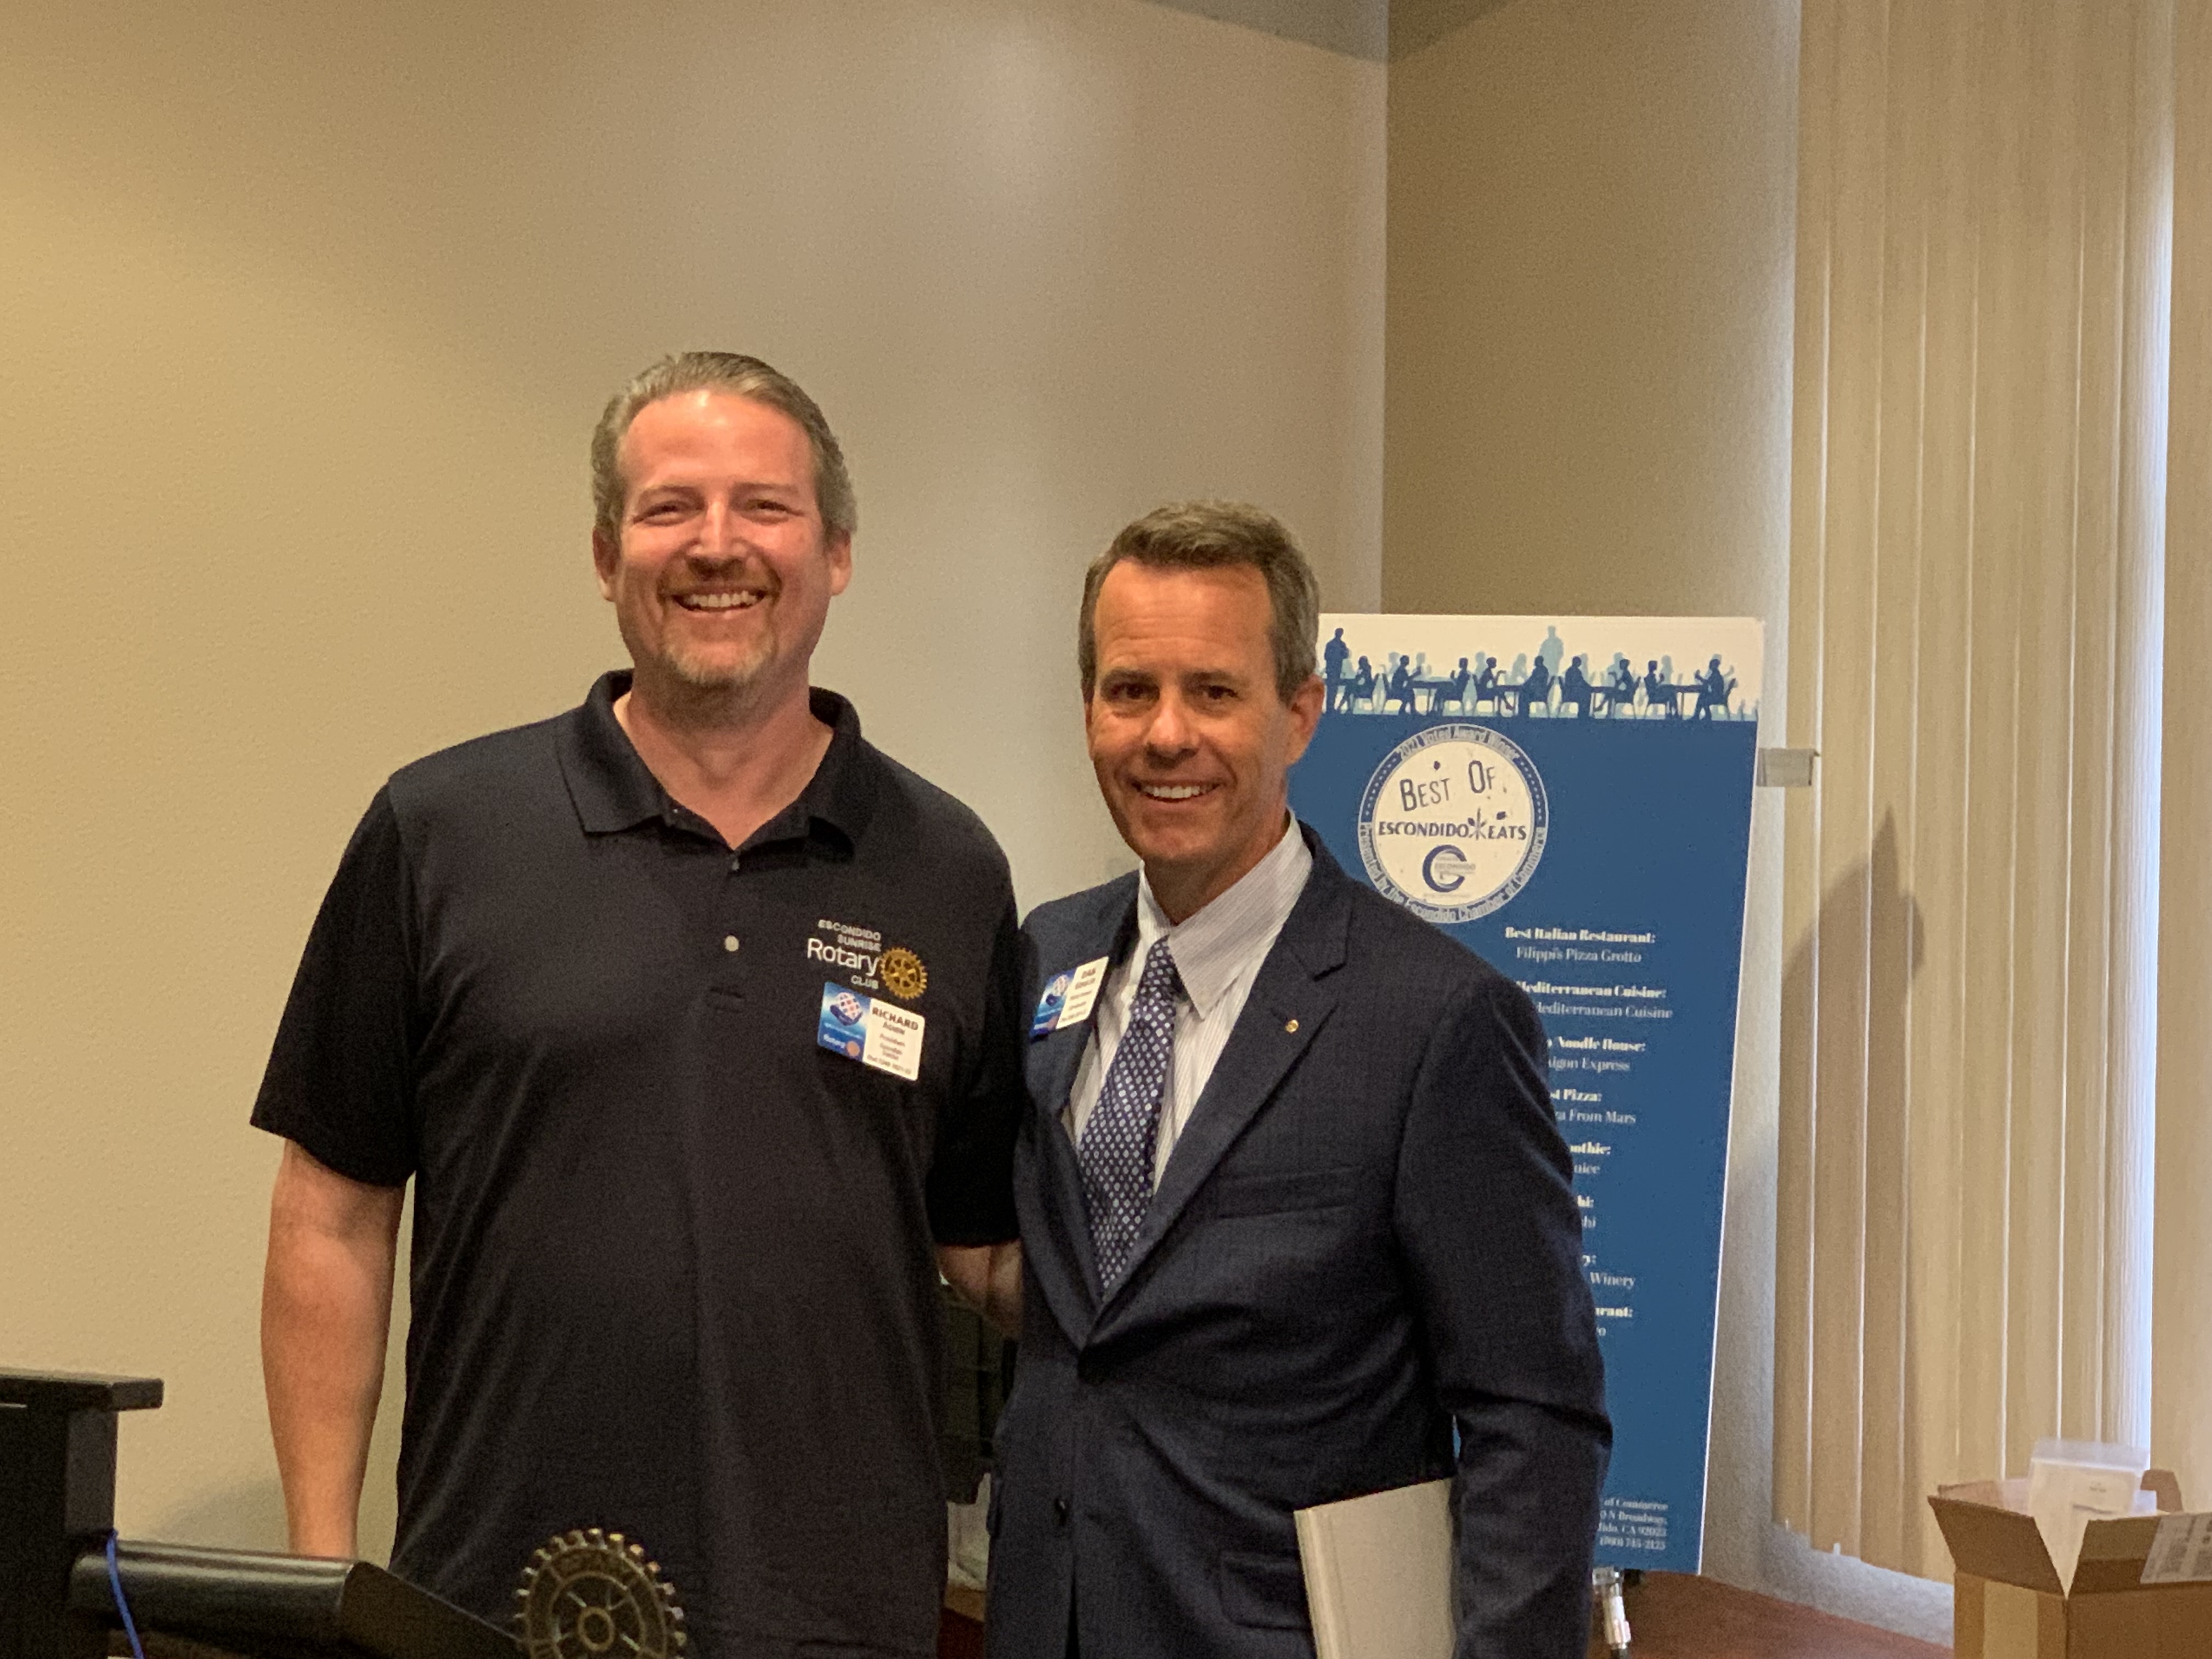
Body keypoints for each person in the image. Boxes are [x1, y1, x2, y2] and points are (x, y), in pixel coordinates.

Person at [253, 352, 1026, 1657]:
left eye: (765, 506)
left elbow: (988, 1248)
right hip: (499, 1604)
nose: (717, 545)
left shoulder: (948, 868)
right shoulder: (441, 832)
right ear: (607, 557)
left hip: (843, 1618)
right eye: (671, 508)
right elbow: (329, 1218)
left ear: (837, 551)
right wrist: (322, 1591)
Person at [985, 502, 1609, 1659]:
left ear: (1301, 713)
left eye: (1214, 692)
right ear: (1088, 710)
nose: (1166, 734)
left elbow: (1533, 1412)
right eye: (1130, 690)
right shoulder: (1046, 955)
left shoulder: (1435, 1021)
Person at [1322, 625, 1350, 710]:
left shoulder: (1333, 644)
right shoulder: (1339, 645)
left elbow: (1326, 656)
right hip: (1334, 669)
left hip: (1334, 669)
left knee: (1332, 689)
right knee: (1332, 689)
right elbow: (1327, 656)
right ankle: (1330, 707)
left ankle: (1330, 707)